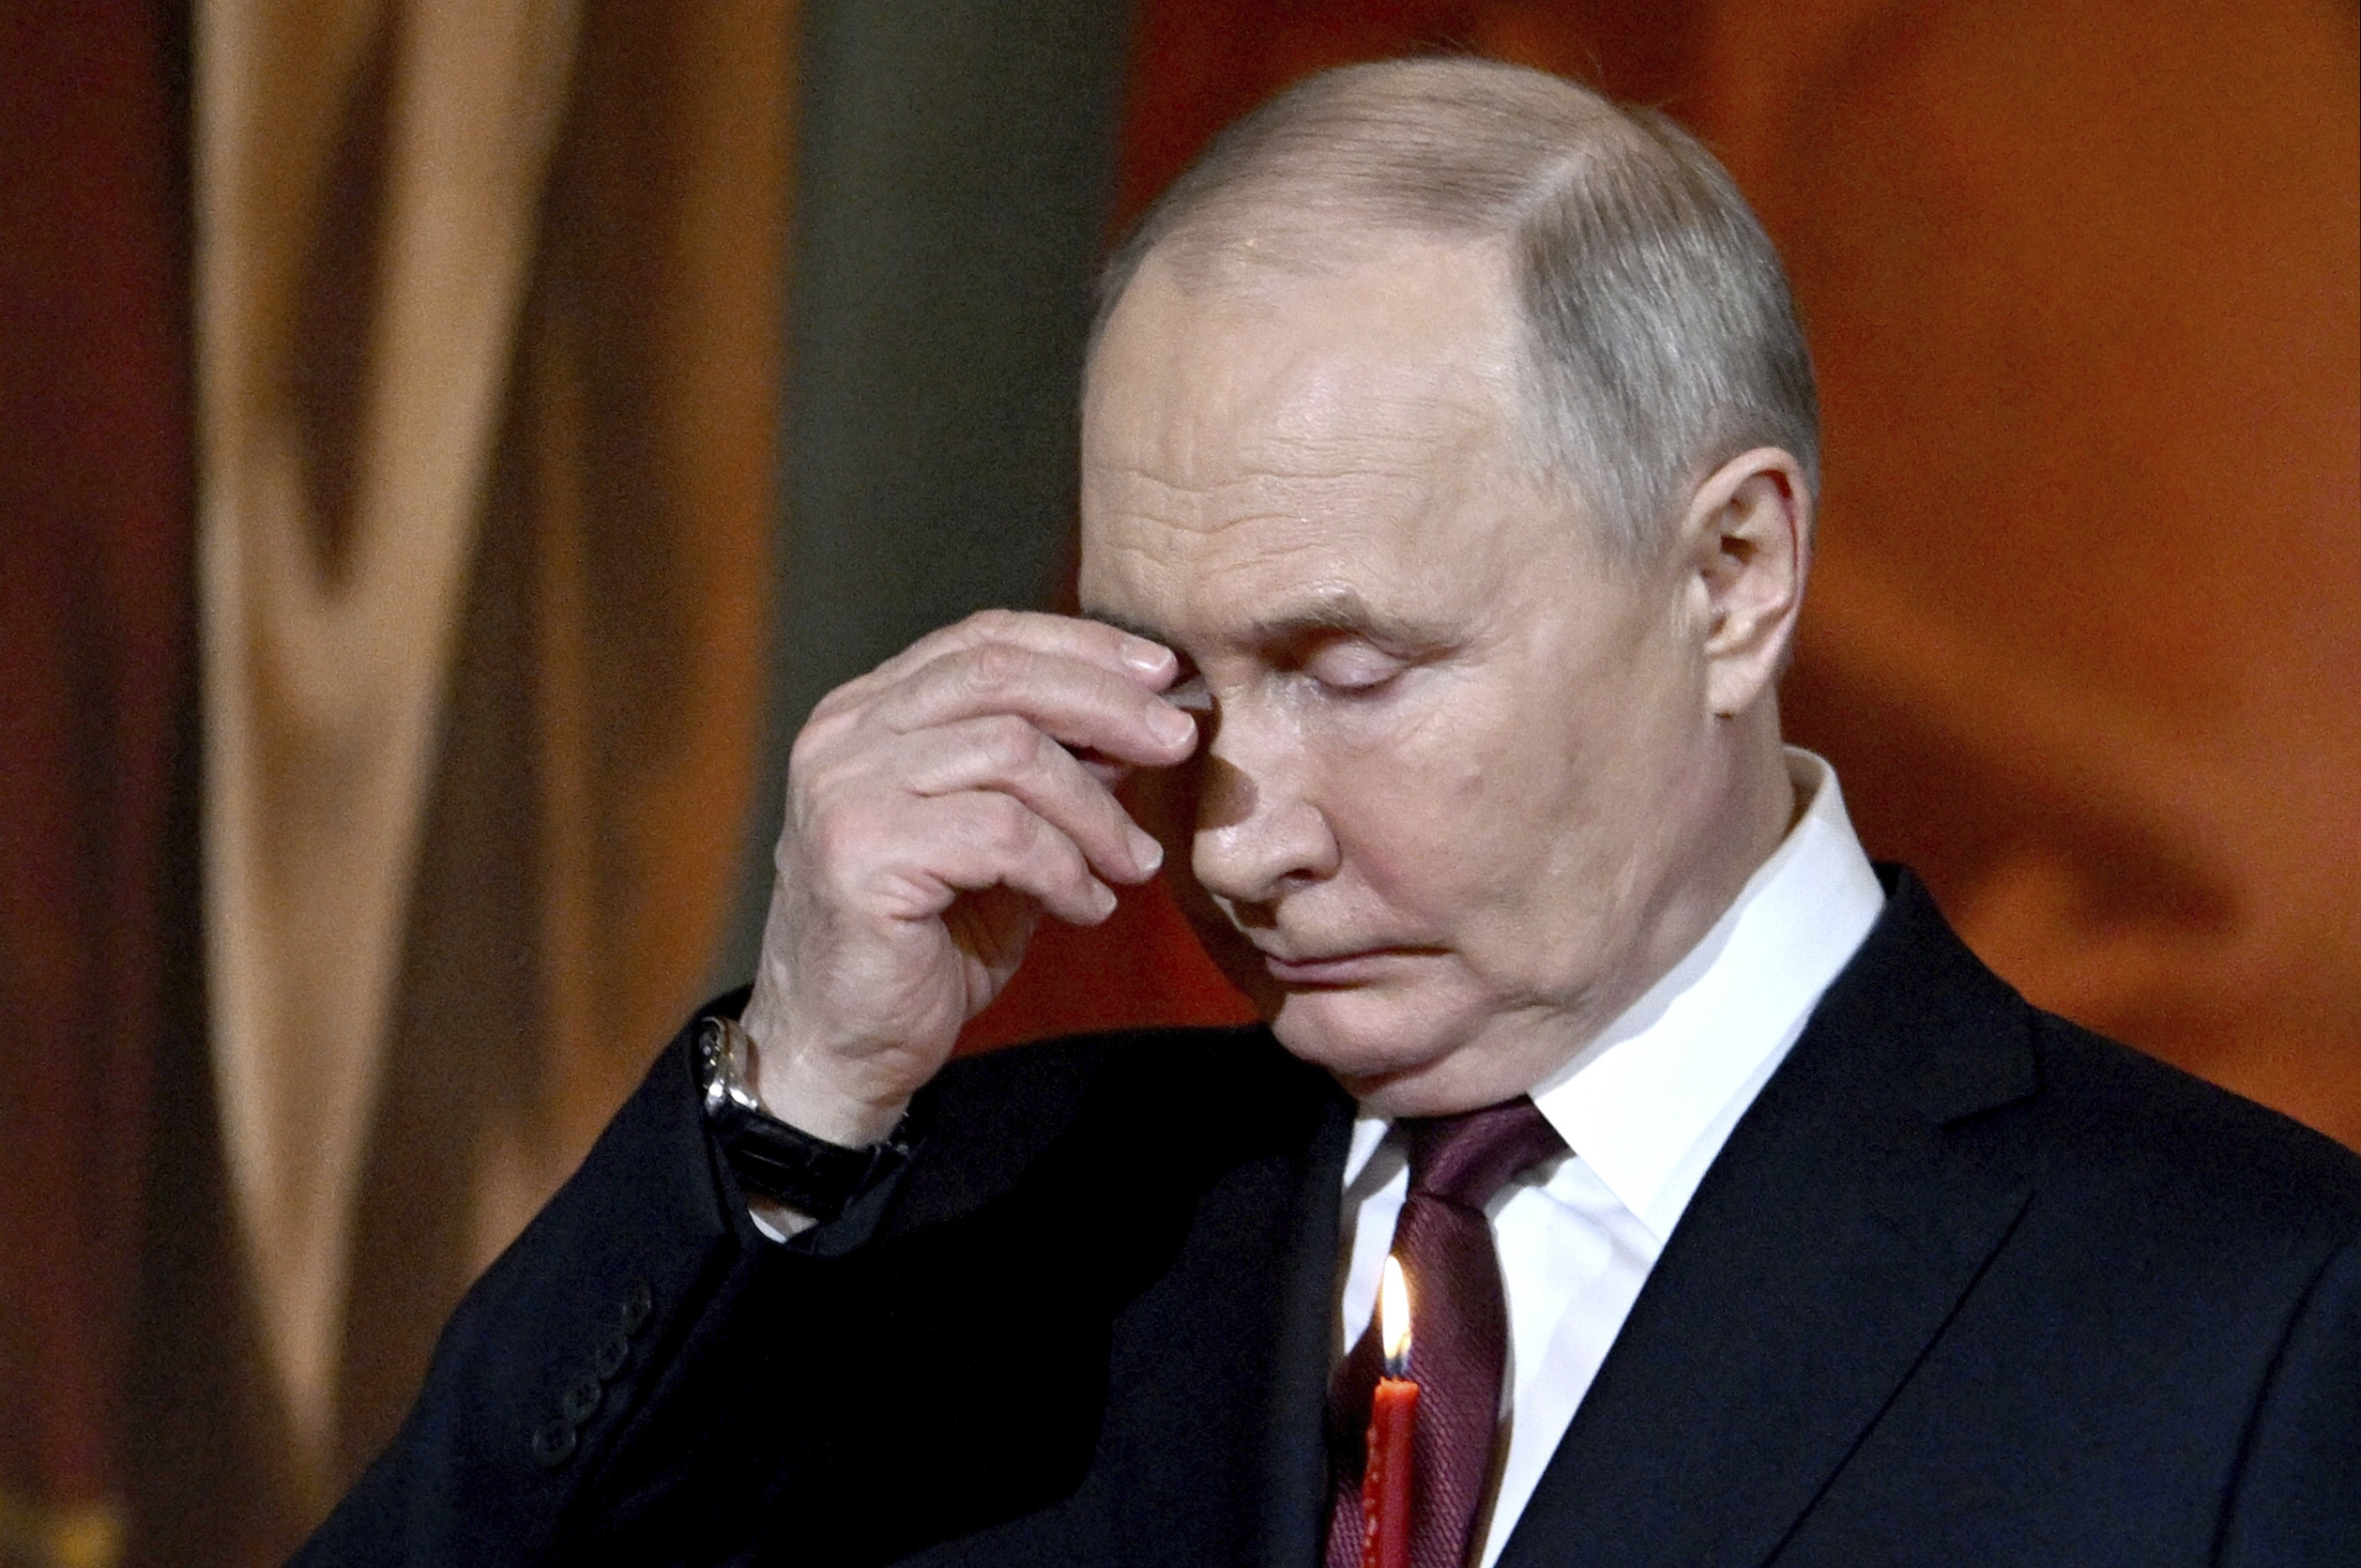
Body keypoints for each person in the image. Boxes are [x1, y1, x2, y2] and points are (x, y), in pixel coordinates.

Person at [295, 58, 2359, 1567]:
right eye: (1180, 682)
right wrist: (794, 1088)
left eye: (1353, 671)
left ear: (1729, 575)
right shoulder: (975, 1220)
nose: (1233, 834)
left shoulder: (2253, 1320)